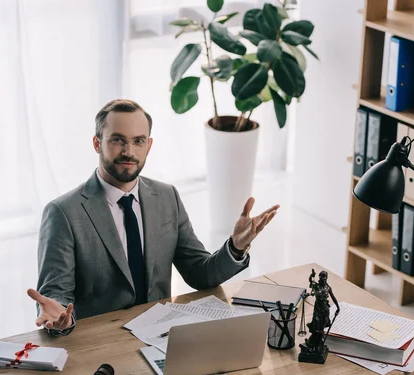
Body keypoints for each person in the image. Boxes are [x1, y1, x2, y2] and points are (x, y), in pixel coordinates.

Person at [27, 99, 279, 335]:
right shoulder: (63, 213)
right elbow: (55, 299)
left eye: (138, 141)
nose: (129, 151)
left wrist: (235, 247)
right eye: (117, 140)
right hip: (100, 345)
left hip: (160, 337)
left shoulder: (167, 196)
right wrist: (61, 320)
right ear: (97, 143)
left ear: (149, 145)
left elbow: (199, 274)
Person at [304, 269, 340, 351]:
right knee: (316, 327)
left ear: (326, 278)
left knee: (322, 327)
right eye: (322, 278)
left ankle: (318, 343)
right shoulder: (316, 286)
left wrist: (338, 307)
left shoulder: (328, 288)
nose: (323, 280)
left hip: (325, 310)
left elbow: (333, 298)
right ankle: (312, 343)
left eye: (325, 278)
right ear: (320, 278)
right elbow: (310, 280)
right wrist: (312, 275)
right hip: (318, 310)